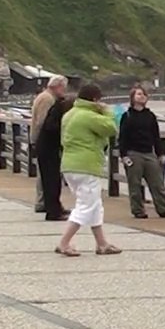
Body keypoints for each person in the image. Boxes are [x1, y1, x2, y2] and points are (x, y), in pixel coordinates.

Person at [55, 84, 121, 257]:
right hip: (87, 165)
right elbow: (111, 128)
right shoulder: (89, 116)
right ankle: (64, 243)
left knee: (94, 205)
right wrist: (107, 111)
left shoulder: (69, 114)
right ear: (94, 99)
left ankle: (102, 243)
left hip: (69, 164)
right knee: (86, 206)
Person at [118, 85, 165, 219]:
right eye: (138, 94)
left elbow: (156, 135)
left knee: (157, 183)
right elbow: (122, 137)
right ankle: (138, 210)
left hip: (149, 153)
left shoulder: (150, 116)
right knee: (135, 184)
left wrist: (161, 153)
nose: (142, 96)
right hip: (133, 153)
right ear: (132, 98)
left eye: (144, 94)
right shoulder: (127, 116)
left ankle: (164, 209)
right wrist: (123, 155)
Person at [29, 76, 66, 213]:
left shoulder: (43, 97)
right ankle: (42, 202)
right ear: (57, 86)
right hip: (44, 142)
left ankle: (45, 202)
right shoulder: (47, 99)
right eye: (63, 87)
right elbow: (42, 122)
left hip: (40, 141)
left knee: (45, 174)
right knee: (47, 175)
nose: (64, 90)